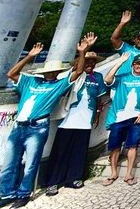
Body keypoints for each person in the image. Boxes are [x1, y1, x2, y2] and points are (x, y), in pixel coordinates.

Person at [0, 38, 90, 209]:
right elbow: (11, 74)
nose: (50, 73)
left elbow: (78, 71)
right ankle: (6, 195)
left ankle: (23, 194)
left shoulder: (58, 85)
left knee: (31, 164)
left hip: (38, 127)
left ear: (57, 72)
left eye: (53, 71)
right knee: (9, 163)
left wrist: (81, 53)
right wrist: (29, 56)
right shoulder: (30, 81)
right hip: (19, 125)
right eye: (48, 71)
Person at [44, 42, 107, 196]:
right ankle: (53, 181)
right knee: (61, 151)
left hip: (85, 120)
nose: (90, 65)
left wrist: (97, 115)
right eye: (87, 62)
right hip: (68, 120)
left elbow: (99, 99)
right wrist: (82, 52)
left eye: (93, 62)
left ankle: (73, 178)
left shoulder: (97, 77)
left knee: (79, 151)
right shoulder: (73, 74)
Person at [102, 53, 140, 187]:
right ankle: (113, 173)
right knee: (115, 146)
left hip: (136, 117)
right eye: (137, 63)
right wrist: (120, 62)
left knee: (133, 145)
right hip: (118, 117)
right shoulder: (123, 77)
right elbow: (108, 79)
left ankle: (128, 174)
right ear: (132, 64)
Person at [110, 10, 140, 76]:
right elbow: (114, 38)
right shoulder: (126, 48)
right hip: (122, 80)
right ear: (134, 39)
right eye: (139, 39)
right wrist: (122, 23)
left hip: (139, 82)